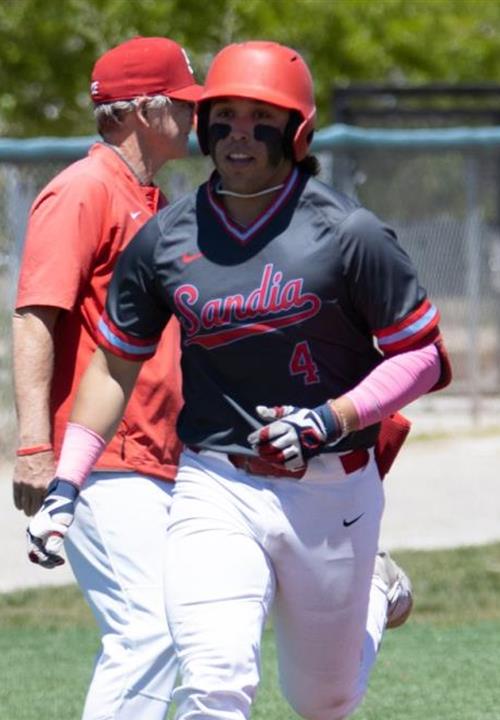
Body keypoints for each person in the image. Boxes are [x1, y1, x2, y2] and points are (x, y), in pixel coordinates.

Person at [27, 41, 452, 720]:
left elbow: (422, 357)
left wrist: (330, 419)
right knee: (214, 676)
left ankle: (372, 594)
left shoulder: (349, 232)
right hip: (216, 481)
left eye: (262, 118)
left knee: (323, 700)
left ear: (298, 131)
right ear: (203, 126)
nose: (240, 135)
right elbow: (113, 363)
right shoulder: (166, 238)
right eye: (224, 115)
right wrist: (67, 481)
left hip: (332, 487)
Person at [13, 36, 202, 720]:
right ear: (145, 111)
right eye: (183, 102)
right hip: (100, 459)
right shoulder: (84, 190)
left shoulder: (146, 195)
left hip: (153, 455)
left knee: (186, 626)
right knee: (148, 629)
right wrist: (36, 446)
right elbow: (36, 316)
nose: (193, 115)